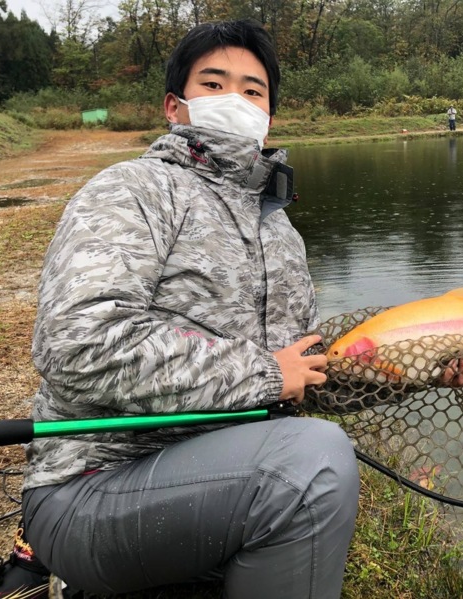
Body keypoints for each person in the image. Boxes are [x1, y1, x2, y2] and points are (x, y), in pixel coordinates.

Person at [21, 19, 360, 599]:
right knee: (310, 464)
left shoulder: (282, 234)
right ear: (174, 108)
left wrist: (420, 370)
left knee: (307, 454)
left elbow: (302, 368)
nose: (237, 100)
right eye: (214, 83)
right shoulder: (130, 190)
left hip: (225, 476)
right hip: (94, 483)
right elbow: (76, 344)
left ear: (270, 118)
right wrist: (266, 374)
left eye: (253, 91)